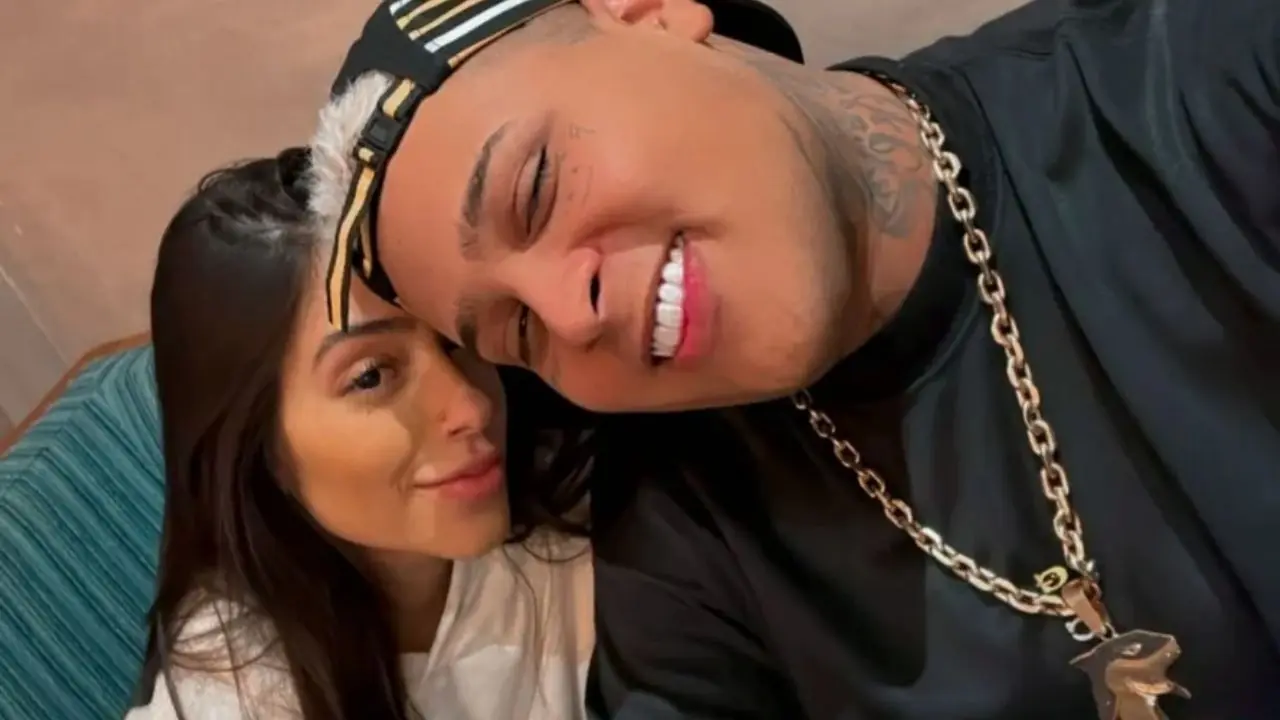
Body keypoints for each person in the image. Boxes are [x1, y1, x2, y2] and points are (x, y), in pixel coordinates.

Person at [306, 0, 1280, 717]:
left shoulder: (1213, 82)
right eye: (517, 334)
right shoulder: (683, 519)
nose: (570, 311)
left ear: (647, 14)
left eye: (537, 186)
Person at [127, 147, 596, 720]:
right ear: (258, 449)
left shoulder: (589, 524)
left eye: (457, 338)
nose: (471, 406)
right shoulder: (234, 694)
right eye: (372, 376)